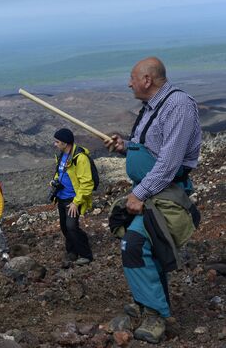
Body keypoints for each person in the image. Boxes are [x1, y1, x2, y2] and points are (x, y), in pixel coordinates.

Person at [105, 57, 201, 344]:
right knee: (149, 245)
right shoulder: (152, 107)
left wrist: (139, 193)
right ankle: (146, 302)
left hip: (164, 194)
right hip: (152, 191)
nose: (129, 83)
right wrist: (125, 148)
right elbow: (152, 149)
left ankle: (156, 315)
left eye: (132, 77)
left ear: (147, 80)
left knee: (134, 243)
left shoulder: (177, 105)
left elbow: (169, 162)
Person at [51, 128, 94, 266]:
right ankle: (72, 251)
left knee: (71, 226)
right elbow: (60, 172)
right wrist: (55, 181)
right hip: (62, 197)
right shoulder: (61, 155)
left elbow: (87, 183)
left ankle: (86, 254)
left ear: (65, 143)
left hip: (73, 199)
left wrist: (76, 202)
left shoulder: (80, 158)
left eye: (57, 142)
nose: (55, 144)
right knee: (64, 226)